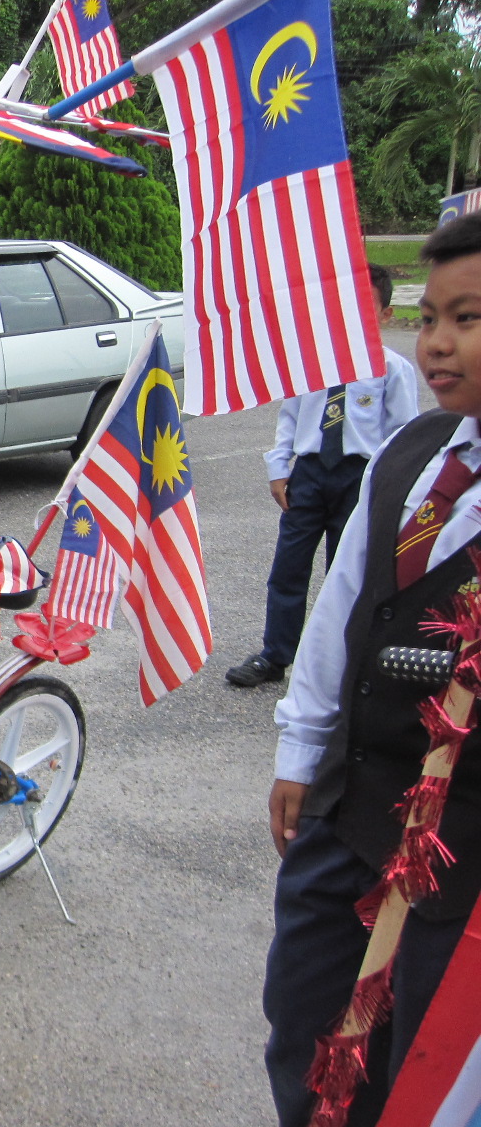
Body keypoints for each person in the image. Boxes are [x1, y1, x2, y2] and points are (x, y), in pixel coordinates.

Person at [264, 214, 481, 1125]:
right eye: (428, 317)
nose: (435, 342)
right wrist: (300, 746)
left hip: (461, 860)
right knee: (307, 1022)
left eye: (466, 318)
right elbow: (341, 607)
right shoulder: (413, 454)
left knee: (423, 1059)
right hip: (352, 810)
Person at [227, 265, 419, 687]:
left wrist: (390, 490)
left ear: (385, 315)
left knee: (345, 574)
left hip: (360, 477)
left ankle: (340, 664)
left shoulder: (391, 369)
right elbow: (291, 417)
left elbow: (402, 435)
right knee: (288, 569)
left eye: (365, 307)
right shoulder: (311, 363)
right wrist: (279, 469)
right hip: (310, 476)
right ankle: (275, 656)